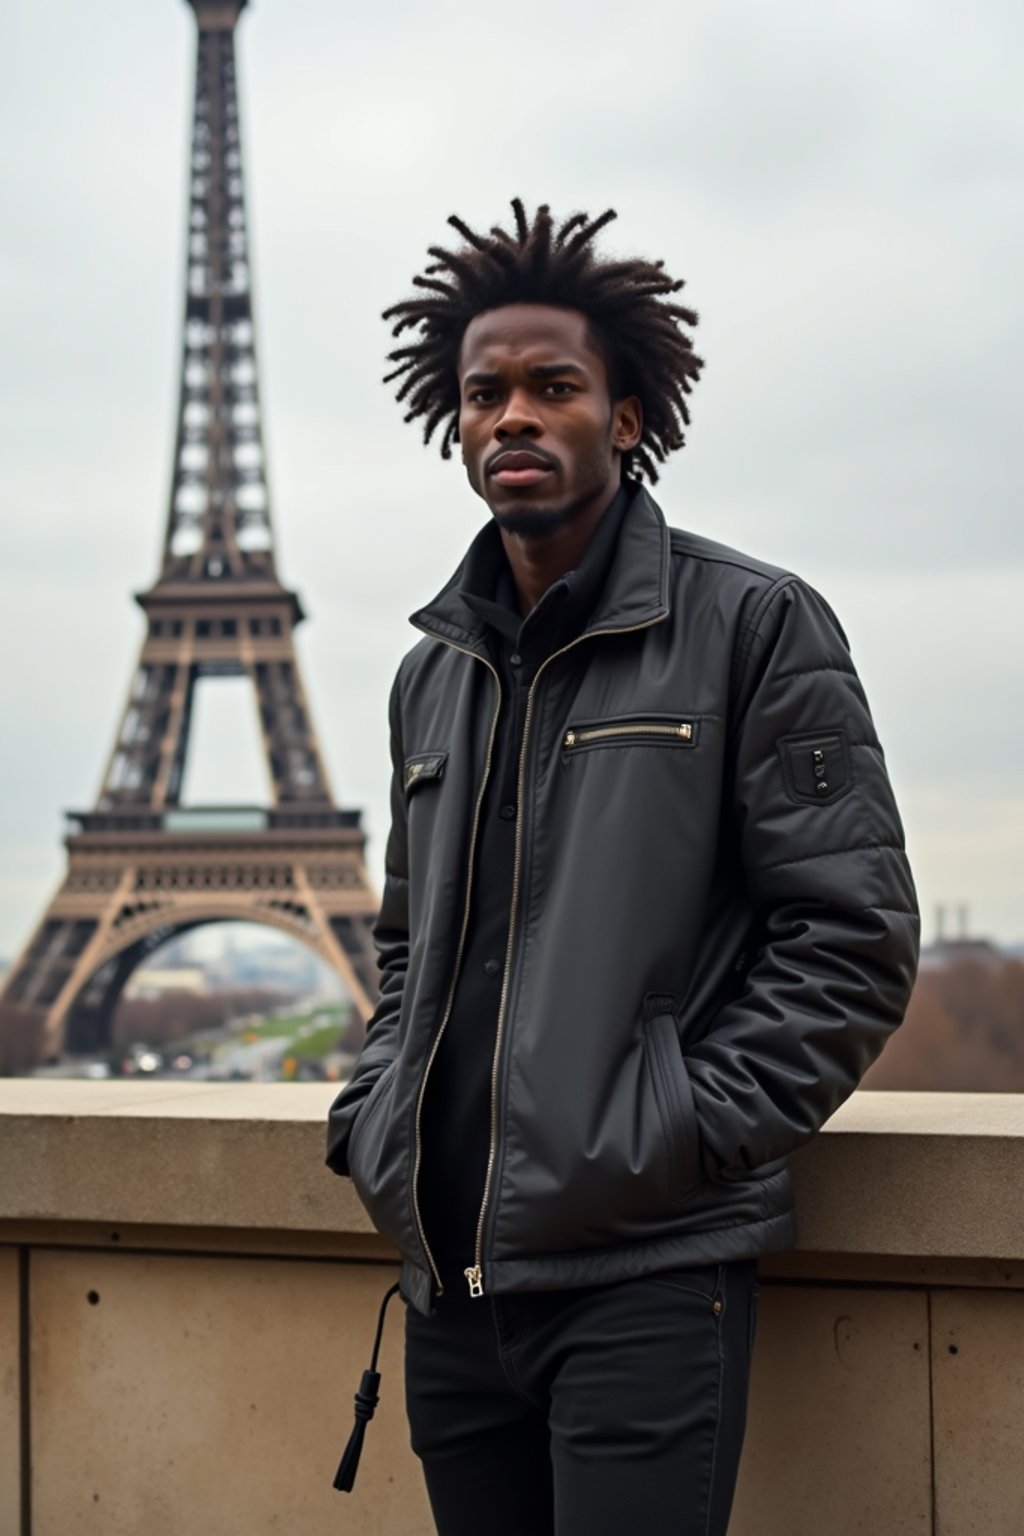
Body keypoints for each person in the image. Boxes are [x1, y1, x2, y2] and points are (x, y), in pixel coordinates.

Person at [326, 200, 919, 1536]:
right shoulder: (436, 676)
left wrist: (673, 1137)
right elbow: (408, 948)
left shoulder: (752, 625)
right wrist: (376, 1124)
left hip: (647, 1277)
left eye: (554, 387)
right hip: (453, 1286)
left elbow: (851, 935)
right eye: (485, 394)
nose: (513, 417)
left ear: (631, 416)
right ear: (452, 419)